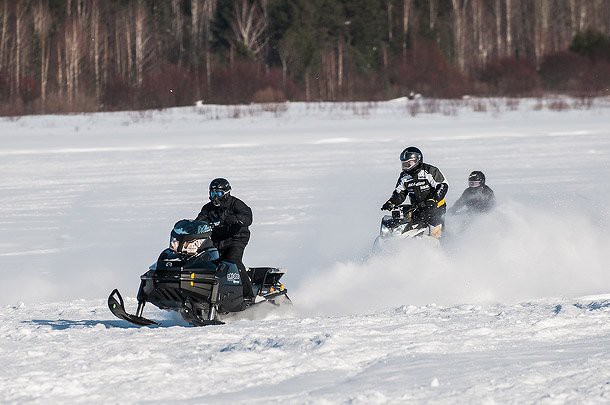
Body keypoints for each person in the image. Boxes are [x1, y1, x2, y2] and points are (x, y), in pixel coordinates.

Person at [196, 178, 255, 301]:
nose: (215, 197)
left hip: (236, 238)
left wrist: (235, 219)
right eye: (213, 193)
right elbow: (199, 221)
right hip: (217, 240)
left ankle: (248, 295)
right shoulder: (207, 208)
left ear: (226, 193)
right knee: (207, 263)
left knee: (233, 262)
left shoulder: (236, 204)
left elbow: (247, 217)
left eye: (218, 193)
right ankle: (206, 294)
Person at [381, 146, 449, 239]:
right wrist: (391, 202)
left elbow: (442, 185)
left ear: (418, 160)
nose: (406, 166)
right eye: (404, 164)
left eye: (409, 163)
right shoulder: (404, 176)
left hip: (436, 208)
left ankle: (444, 248)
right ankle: (414, 248)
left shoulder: (430, 170)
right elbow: (399, 193)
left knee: (436, 234)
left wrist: (433, 199)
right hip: (417, 209)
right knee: (413, 231)